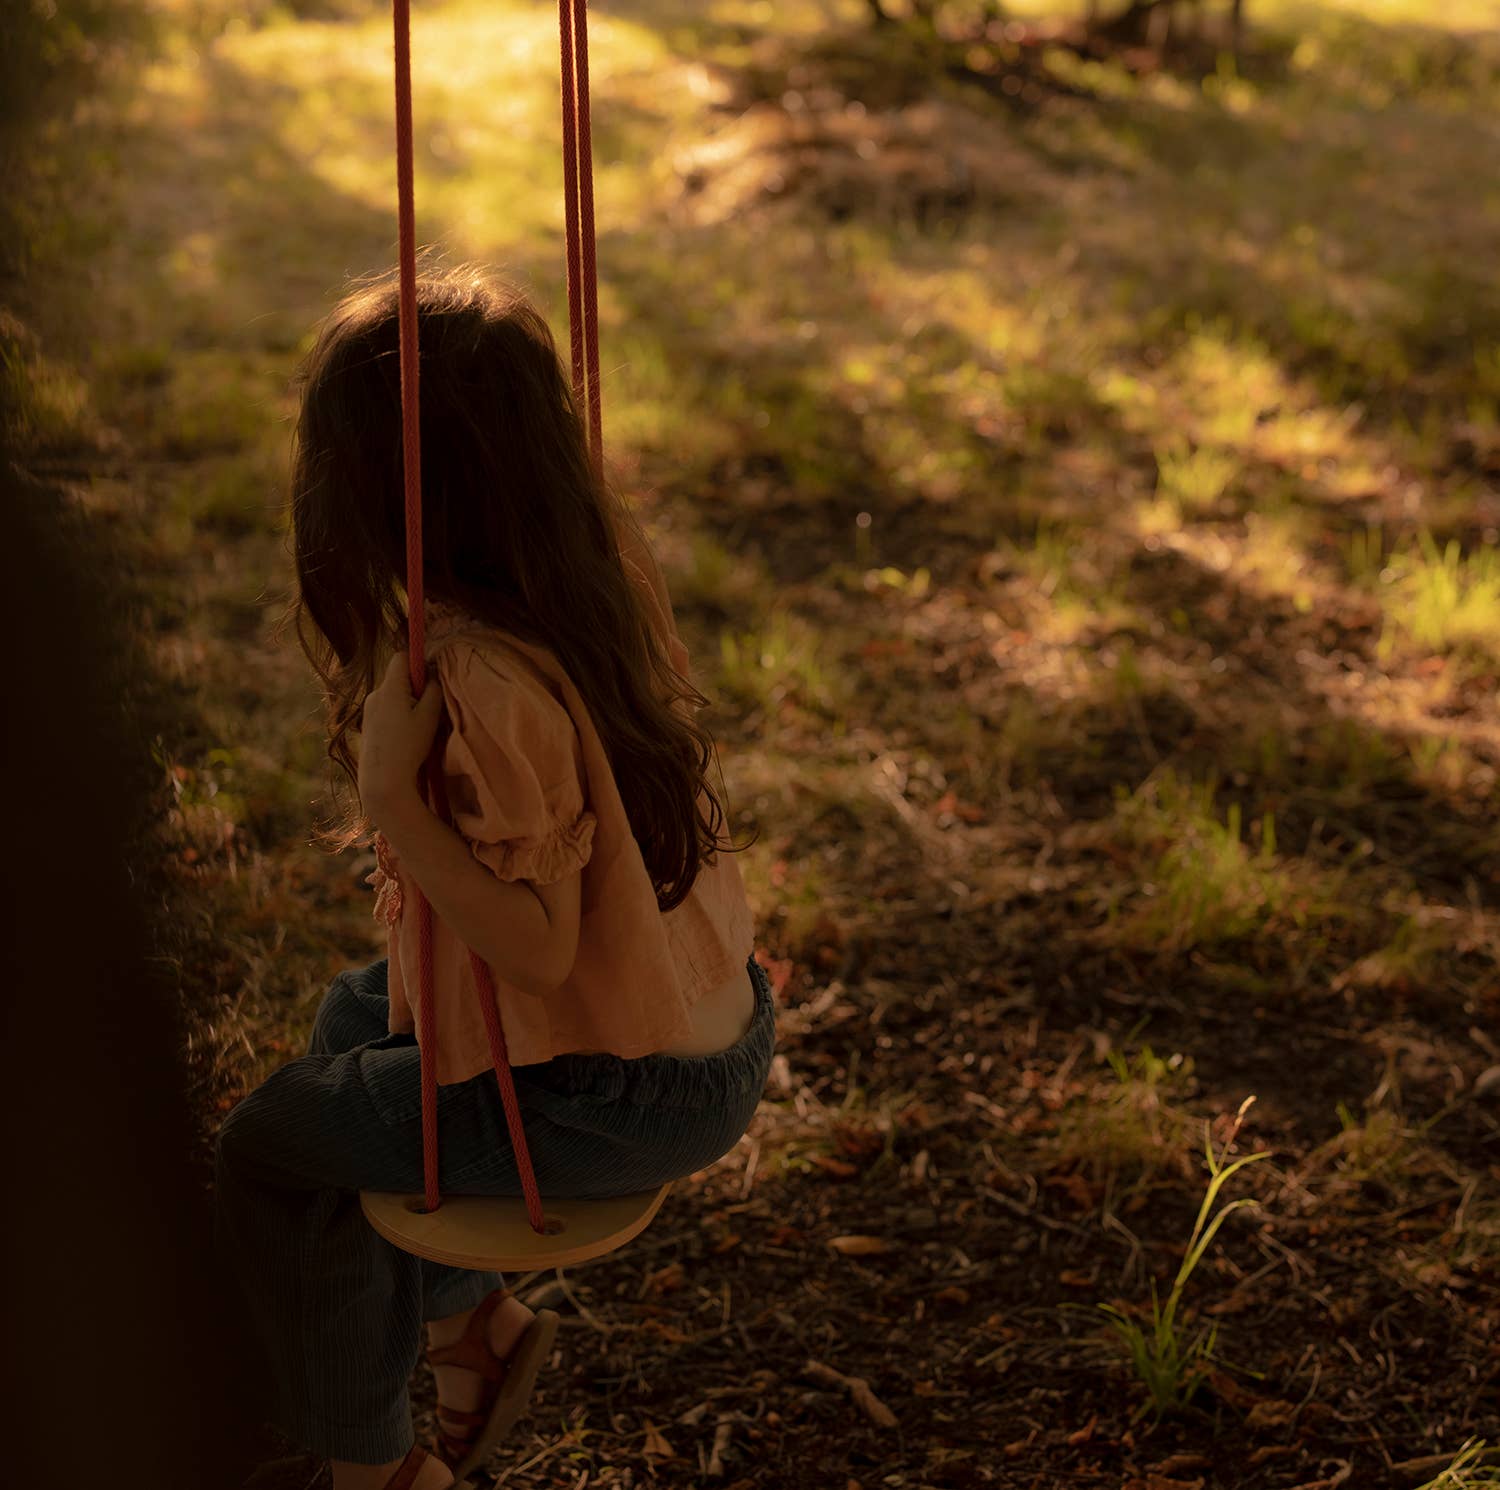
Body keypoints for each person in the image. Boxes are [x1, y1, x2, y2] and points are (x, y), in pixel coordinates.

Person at [214, 265, 773, 1490]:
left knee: (272, 1143)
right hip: (706, 1027)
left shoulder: (482, 680)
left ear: (364, 492)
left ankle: (371, 1465)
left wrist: (391, 806)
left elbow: (536, 953)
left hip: (611, 1097)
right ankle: (474, 1331)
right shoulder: (588, 573)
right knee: (354, 1024)